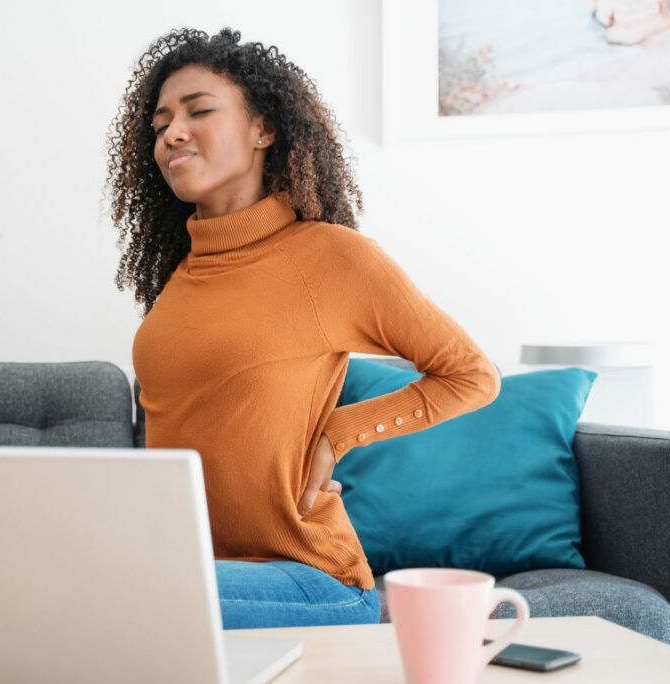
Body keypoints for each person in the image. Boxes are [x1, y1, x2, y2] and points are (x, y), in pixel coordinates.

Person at [103, 27, 500, 629]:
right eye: (159, 125)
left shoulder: (330, 258)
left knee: (119, 600)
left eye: (198, 112)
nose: (171, 134)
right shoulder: (181, 275)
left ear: (263, 129)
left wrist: (340, 431)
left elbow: (472, 375)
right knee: (52, 582)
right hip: (190, 569)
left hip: (313, 580)